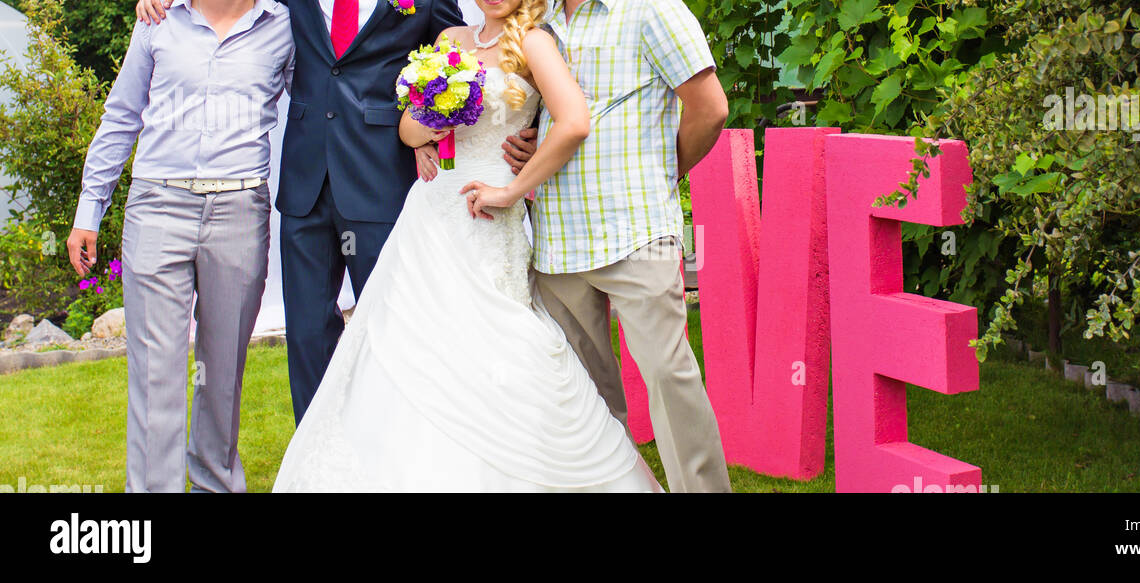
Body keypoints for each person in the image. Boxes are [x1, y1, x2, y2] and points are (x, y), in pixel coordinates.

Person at [272, 0, 661, 492]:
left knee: (500, 335)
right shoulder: (451, 41)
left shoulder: (535, 43)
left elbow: (575, 122)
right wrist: (432, 123)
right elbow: (409, 126)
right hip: (432, 210)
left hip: (489, 210)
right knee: (407, 338)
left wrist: (512, 190)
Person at [135, 0, 539, 425]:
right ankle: (313, 460)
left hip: (381, 178)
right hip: (305, 184)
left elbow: (465, 70)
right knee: (308, 334)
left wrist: (521, 128)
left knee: (387, 328)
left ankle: (387, 450)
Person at [474, 0, 732, 493]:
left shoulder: (652, 9)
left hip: (634, 233)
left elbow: (710, 107)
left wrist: (661, 172)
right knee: (588, 404)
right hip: (557, 244)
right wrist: (533, 139)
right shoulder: (540, 19)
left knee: (668, 379)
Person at [66, 0, 294, 492]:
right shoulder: (158, 19)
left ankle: (215, 483)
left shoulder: (283, 26)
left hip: (238, 210)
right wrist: (90, 208)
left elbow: (324, 101)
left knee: (222, 371)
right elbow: (122, 115)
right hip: (157, 207)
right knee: (156, 374)